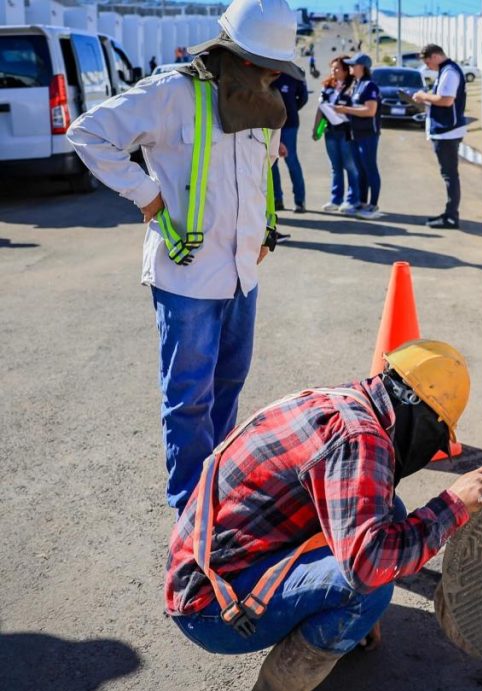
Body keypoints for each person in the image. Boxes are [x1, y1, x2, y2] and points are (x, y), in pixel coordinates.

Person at [165, 340, 482, 691]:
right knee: (367, 584)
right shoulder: (359, 440)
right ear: (425, 422)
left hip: (211, 565)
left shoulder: (345, 403)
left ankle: (333, 622)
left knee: (389, 509)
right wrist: (453, 505)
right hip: (211, 609)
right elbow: (370, 564)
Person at [67, 0, 301, 515]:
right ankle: (190, 509)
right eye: (258, 64)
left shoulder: (263, 99)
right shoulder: (171, 92)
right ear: (231, 52)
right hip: (187, 277)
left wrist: (264, 230)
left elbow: (259, 171)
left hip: (241, 274)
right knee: (189, 399)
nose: (266, 74)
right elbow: (87, 133)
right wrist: (146, 194)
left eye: (273, 68)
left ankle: (216, 488)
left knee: (228, 387)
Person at [413, 43, 466, 230]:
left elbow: (446, 99)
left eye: (428, 63)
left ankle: (451, 217)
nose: (428, 67)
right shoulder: (446, 71)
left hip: (447, 131)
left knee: (450, 175)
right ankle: (449, 213)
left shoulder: (449, 72)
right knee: (449, 174)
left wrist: (423, 96)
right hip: (444, 130)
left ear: (435, 56)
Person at [334, 52, 382, 220]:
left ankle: (373, 204)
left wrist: (345, 110)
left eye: (353, 65)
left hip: (368, 134)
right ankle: (362, 202)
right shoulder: (356, 84)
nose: (350, 67)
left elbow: (370, 111)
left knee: (370, 168)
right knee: (360, 171)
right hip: (354, 134)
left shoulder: (369, 86)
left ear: (362, 67)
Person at [318, 57, 362, 214]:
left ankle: (352, 199)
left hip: (346, 131)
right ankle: (335, 199)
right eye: (332, 68)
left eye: (337, 68)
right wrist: (316, 128)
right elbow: (321, 107)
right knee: (335, 167)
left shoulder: (353, 87)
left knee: (350, 166)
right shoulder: (328, 86)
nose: (333, 71)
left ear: (345, 70)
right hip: (330, 131)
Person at [271, 72, 309, 213]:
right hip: (270, 123)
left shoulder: (294, 74)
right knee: (272, 162)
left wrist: (290, 109)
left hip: (289, 124)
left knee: (291, 160)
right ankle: (277, 199)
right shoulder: (267, 69)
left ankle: (300, 201)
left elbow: (303, 98)